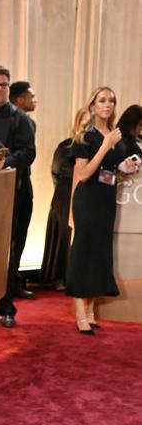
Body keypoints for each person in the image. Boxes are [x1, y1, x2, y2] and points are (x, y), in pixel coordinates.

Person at [65, 86, 140, 333]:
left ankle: (90, 309)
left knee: (99, 253)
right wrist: (106, 146)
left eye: (111, 101)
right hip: (87, 200)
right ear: (93, 105)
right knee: (82, 254)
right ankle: (79, 312)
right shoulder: (86, 136)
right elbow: (84, 174)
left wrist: (124, 168)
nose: (107, 105)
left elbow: (109, 171)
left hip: (106, 200)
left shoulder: (114, 134)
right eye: (102, 100)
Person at [0, 64, 37, 325]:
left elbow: (29, 153)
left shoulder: (20, 119)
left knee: (11, 251)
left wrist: (6, 162)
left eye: (4, 85)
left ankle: (6, 306)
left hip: (15, 194)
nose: (0, 89)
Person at [39, 110, 86, 290]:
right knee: (64, 234)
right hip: (65, 194)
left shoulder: (99, 147)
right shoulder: (66, 146)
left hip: (88, 193)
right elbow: (56, 172)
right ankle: (59, 276)